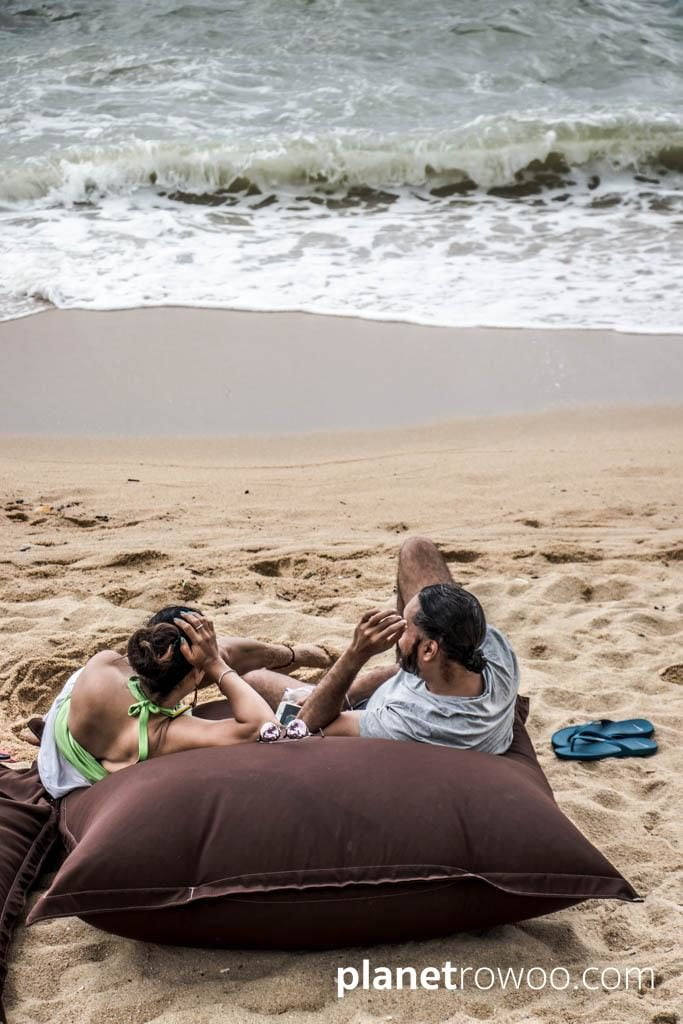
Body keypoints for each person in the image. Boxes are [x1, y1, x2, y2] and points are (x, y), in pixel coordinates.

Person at [246, 537, 520, 753]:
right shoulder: (492, 648)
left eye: (405, 627)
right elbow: (408, 671)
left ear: (428, 650)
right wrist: (356, 685)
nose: (398, 630)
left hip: (368, 709)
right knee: (417, 549)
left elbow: (309, 723)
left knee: (254, 678)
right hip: (422, 679)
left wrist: (356, 654)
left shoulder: (408, 721)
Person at [36, 607, 334, 798]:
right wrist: (215, 664)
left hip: (73, 712)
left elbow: (163, 664)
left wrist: (206, 659)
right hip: (74, 770)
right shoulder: (160, 735)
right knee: (221, 655)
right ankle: (294, 654)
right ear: (197, 677)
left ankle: (293, 654)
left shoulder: (105, 664)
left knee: (185, 642)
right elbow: (264, 726)